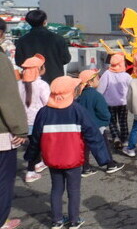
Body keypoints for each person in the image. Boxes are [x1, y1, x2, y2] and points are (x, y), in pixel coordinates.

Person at [25, 76, 111, 229]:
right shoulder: (78, 110)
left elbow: (36, 139)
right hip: (73, 159)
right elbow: (93, 134)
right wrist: (103, 158)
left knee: (56, 189)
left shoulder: (44, 112)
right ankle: (74, 220)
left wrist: (30, 157)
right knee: (74, 190)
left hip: (52, 159)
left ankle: (57, 220)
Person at [0, 42, 28, 229]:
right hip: (1, 131)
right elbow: (7, 97)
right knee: (3, 178)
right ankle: (1, 220)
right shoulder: (1, 60)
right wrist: (19, 128)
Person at [75, 70, 124, 177]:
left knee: (85, 148)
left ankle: (86, 168)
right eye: (97, 78)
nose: (99, 80)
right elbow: (104, 113)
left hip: (84, 127)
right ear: (90, 82)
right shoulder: (97, 96)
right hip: (97, 126)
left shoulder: (79, 96)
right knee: (104, 146)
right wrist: (105, 121)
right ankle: (110, 164)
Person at [14, 9, 71, 84]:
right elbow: (66, 59)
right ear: (45, 21)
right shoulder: (58, 39)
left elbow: (19, 61)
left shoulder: (22, 40)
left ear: (28, 22)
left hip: (32, 81)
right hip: (55, 80)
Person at [18, 54, 50, 183]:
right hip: (38, 121)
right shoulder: (42, 85)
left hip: (23, 121)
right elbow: (48, 103)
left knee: (33, 144)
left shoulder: (18, 84)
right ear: (39, 69)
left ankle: (38, 163)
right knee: (36, 145)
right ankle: (31, 171)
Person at [98, 54, 132, 148]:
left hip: (109, 103)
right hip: (123, 102)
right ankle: (125, 140)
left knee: (112, 121)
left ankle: (116, 137)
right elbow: (131, 88)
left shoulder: (106, 74)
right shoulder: (126, 75)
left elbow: (101, 89)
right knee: (123, 121)